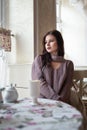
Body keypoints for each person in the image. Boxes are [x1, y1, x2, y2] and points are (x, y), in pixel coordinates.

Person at [31, 30, 74, 104]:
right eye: (45, 42)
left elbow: (66, 88)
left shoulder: (68, 64)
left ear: (59, 43)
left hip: (62, 104)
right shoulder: (39, 59)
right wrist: (56, 98)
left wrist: (60, 103)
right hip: (42, 102)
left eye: (51, 41)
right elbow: (39, 82)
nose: (47, 44)